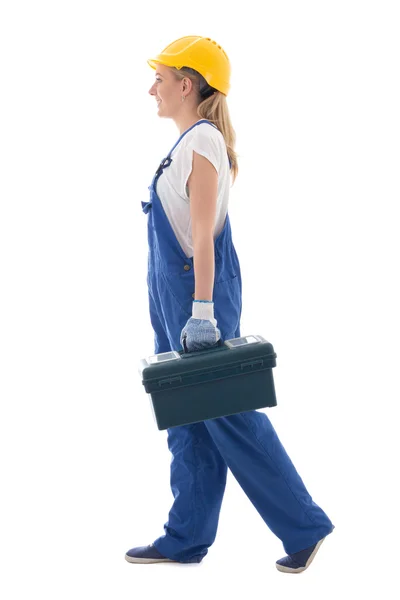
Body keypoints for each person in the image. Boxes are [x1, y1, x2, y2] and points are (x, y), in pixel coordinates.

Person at [125, 35, 335, 573]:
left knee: (227, 413)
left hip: (198, 296)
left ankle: (304, 525)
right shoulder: (189, 144)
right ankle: (186, 536)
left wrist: (201, 311)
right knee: (185, 415)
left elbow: (201, 236)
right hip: (173, 296)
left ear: (187, 83)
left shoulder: (201, 142)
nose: (153, 88)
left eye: (161, 78)